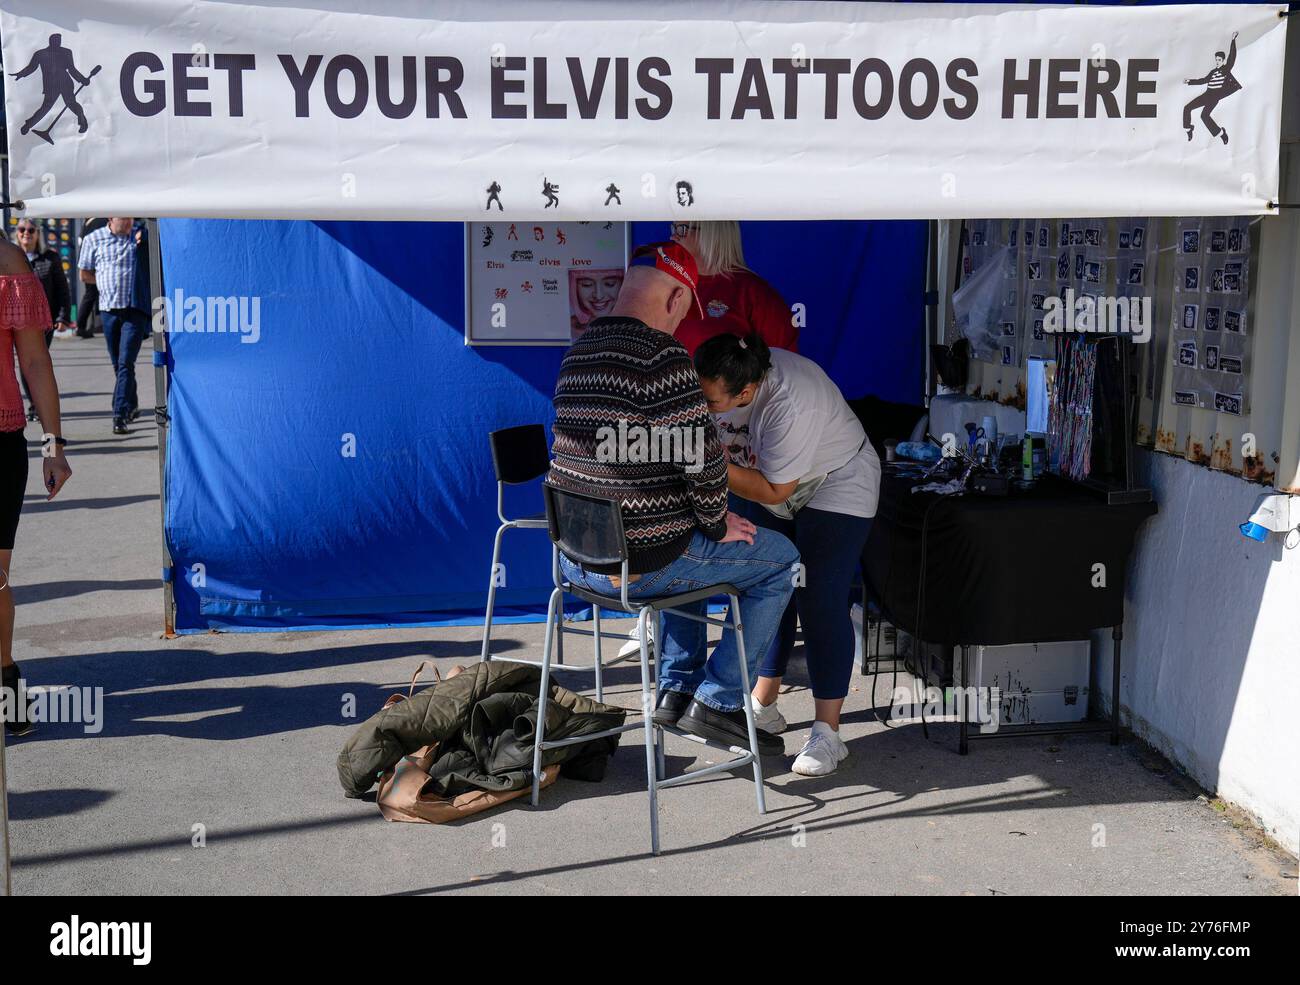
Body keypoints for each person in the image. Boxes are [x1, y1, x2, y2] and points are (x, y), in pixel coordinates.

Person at [549, 241, 799, 755]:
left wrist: (696, 518)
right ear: (673, 302)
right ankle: (720, 700)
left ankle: (675, 685)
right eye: (687, 310)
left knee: (682, 541)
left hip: (574, 562)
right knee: (781, 562)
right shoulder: (663, 358)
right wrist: (714, 520)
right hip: (640, 567)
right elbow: (705, 464)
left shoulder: (578, 351)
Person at [695, 332, 880, 776]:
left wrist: (708, 464)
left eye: (713, 403)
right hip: (764, 477)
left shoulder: (792, 403)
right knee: (766, 583)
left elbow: (776, 489)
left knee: (819, 598)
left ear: (746, 392)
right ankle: (763, 704)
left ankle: (827, 734)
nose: (703, 409)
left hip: (837, 480)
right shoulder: (719, 379)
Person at [0, 238, 72, 735]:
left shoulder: (7, 260)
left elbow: (35, 361)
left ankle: (5, 681)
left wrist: (53, 442)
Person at [669, 220, 798, 356]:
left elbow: (783, 362)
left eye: (682, 229)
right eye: (673, 229)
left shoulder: (753, 293)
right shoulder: (669, 285)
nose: (673, 237)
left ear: (712, 234)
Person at [78, 216, 148, 434]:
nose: (128, 224)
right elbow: (84, 273)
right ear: (110, 218)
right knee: (119, 364)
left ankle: (119, 415)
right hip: (109, 309)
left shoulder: (138, 235)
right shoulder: (93, 239)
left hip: (133, 309)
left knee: (126, 362)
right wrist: (104, 281)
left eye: (131, 219)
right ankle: (132, 402)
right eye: (123, 219)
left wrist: (143, 239)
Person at [12, 221, 72, 420]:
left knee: (36, 362)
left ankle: (39, 406)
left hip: (42, 323)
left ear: (38, 234)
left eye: (30, 230)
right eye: (22, 230)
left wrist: (63, 317)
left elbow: (62, 290)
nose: (26, 234)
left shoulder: (50, 258)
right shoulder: (10, 257)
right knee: (23, 363)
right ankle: (33, 404)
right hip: (15, 320)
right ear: (17, 234)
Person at [1183, 32, 1240, 145]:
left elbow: (1232, 57)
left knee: (1204, 116)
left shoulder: (1225, 69)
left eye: (1219, 60)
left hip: (1215, 96)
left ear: (1223, 61)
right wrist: (1189, 82)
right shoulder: (1213, 72)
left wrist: (1233, 40)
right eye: (1216, 60)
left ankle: (1221, 133)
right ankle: (1188, 129)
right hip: (1207, 94)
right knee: (1187, 108)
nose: (1217, 62)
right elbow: (1203, 81)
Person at [74, 218, 107, 338]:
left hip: (88, 262)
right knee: (91, 294)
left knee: (90, 295)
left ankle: (82, 326)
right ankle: (82, 326)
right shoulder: (99, 221)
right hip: (93, 264)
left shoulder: (87, 222)